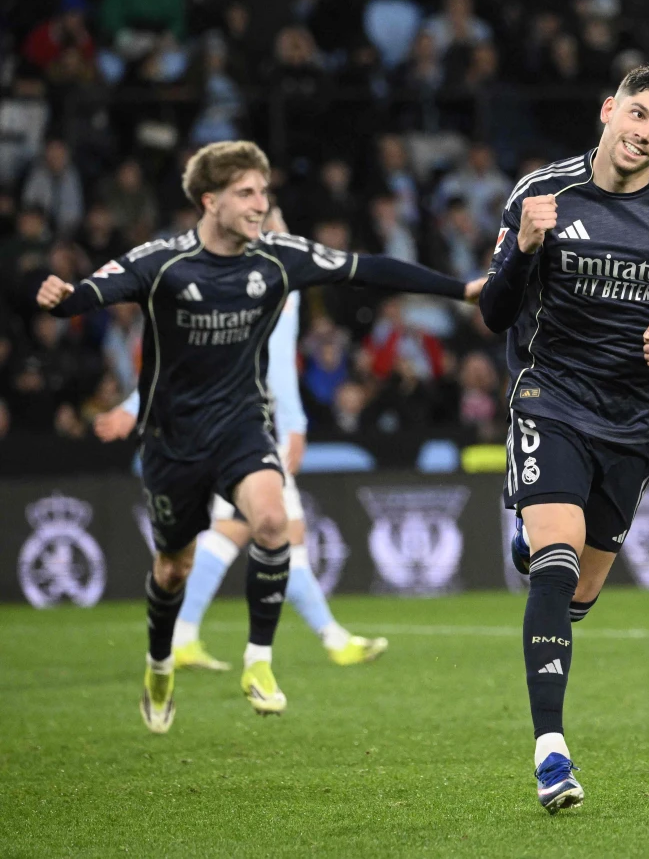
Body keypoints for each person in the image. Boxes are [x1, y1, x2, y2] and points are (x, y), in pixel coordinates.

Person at [36, 141, 483, 734]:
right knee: (173, 568)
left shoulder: (277, 257)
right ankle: (160, 662)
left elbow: (364, 269)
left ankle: (259, 662)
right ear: (209, 199)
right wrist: (64, 298)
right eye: (246, 193)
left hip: (242, 424)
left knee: (272, 522)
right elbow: (93, 292)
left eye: (264, 192)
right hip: (172, 439)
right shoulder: (163, 262)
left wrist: (461, 289)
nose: (259, 204)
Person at [480, 66, 649, 813]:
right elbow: (497, 313)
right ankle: (551, 754)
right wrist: (525, 248)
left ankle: (536, 549)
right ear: (607, 111)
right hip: (550, 398)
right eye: (636, 114)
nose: (645, 133)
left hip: (633, 419)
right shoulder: (542, 194)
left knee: (581, 589)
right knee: (559, 562)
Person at [94, 206, 388, 672]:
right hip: (244, 426)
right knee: (262, 530)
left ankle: (202, 636)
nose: (285, 231)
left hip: (247, 422)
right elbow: (212, 366)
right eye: (276, 224)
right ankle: (327, 640)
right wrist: (295, 425)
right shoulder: (265, 286)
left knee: (260, 531)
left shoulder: (264, 281)